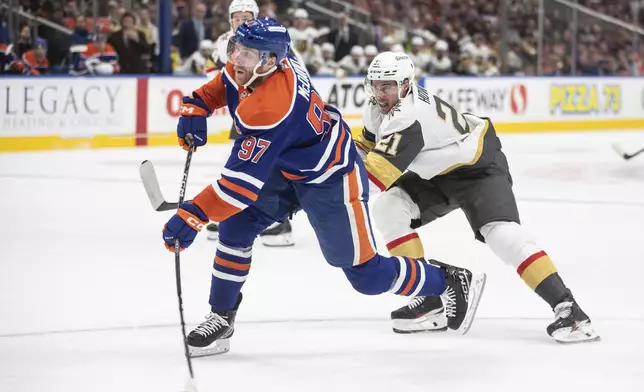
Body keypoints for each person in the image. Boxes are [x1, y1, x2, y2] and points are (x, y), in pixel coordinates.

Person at [161, 18, 486, 357]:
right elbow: (222, 84)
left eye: (247, 53)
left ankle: (445, 280)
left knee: (367, 277)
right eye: (236, 50)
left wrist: (192, 216)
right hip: (289, 163)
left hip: (331, 174)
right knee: (234, 227)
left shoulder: (271, 106)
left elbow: (238, 187)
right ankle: (221, 317)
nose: (237, 59)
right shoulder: (261, 65)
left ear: (271, 61)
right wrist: (196, 106)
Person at [356, 51, 599, 344]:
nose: (381, 94)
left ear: (406, 84)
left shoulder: (408, 118)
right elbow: (368, 148)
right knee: (389, 210)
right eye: (376, 85)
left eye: (388, 86)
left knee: (502, 235)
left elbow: (371, 177)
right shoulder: (379, 105)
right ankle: (430, 300)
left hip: (478, 168)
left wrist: (317, 182)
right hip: (438, 171)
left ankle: (570, 309)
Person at [204, 0, 304, 246]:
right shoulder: (223, 43)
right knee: (242, 163)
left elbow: (297, 74)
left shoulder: (271, 40)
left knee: (269, 166)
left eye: (245, 16)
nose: (240, 21)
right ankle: (232, 208)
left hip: (271, 112)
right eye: (236, 17)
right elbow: (210, 72)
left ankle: (280, 222)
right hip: (245, 112)